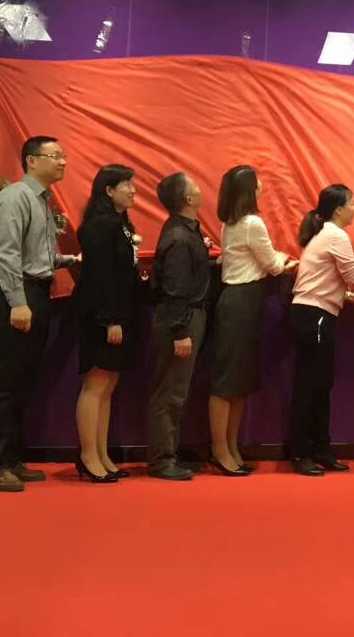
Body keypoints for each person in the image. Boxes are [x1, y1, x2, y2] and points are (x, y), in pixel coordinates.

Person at [0, 135, 78, 493]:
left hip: (35, 292)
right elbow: (7, 254)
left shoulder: (42, 201)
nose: (62, 162)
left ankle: (11, 459)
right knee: (4, 381)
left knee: (22, 379)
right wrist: (18, 302)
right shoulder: (15, 197)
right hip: (15, 293)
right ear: (31, 161)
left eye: (63, 156)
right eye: (55, 155)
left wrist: (69, 260)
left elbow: (39, 255)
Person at [211, 166, 298, 476]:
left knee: (239, 380)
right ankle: (221, 449)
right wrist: (285, 260)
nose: (262, 184)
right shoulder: (252, 223)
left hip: (241, 301)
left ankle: (230, 446)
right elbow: (273, 265)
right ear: (250, 190)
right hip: (241, 300)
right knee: (227, 381)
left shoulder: (231, 222)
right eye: (257, 181)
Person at [287, 184, 354, 477]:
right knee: (311, 385)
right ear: (338, 210)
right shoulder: (336, 235)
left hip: (313, 313)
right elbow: (352, 275)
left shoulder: (323, 234)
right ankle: (301, 452)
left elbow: (325, 281)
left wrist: (349, 296)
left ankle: (321, 450)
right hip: (316, 316)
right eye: (352, 203)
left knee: (320, 384)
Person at [73, 164, 140, 484]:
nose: (132, 190)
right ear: (109, 190)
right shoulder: (99, 225)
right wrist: (109, 320)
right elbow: (100, 277)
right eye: (126, 184)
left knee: (109, 384)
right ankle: (88, 455)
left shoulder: (121, 223)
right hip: (101, 314)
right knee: (96, 383)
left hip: (120, 312)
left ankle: (102, 453)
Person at [147, 172, 211, 482]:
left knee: (177, 390)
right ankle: (162, 460)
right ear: (187, 199)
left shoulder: (186, 231)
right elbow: (174, 289)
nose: (200, 189)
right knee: (171, 391)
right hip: (182, 318)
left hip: (188, 315)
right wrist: (181, 331)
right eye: (195, 186)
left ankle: (169, 451)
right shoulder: (179, 237)